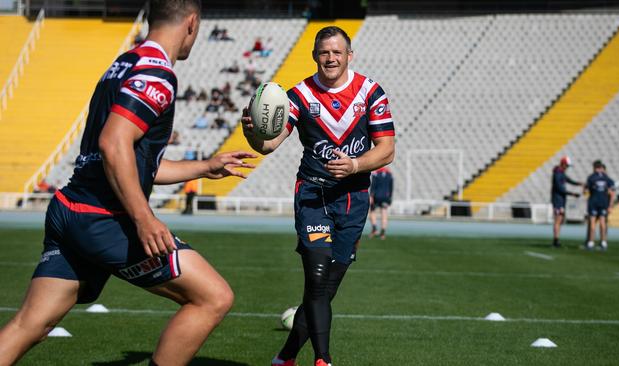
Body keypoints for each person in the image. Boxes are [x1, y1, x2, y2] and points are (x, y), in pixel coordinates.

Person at [0, 1, 257, 365]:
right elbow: (112, 143)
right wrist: (143, 218)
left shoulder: (122, 64)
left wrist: (203, 167)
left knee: (31, 323)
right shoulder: (157, 74)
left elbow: (131, 160)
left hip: (70, 209)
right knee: (213, 297)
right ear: (192, 23)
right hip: (104, 217)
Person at [241, 26, 395, 366]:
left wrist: (355, 164)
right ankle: (323, 359)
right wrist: (252, 134)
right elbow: (268, 145)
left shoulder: (371, 92)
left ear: (349, 55)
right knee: (317, 275)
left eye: (337, 52)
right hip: (313, 195)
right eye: (324, 52)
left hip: (353, 200)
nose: (331, 58)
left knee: (324, 290)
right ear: (314, 56)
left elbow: (386, 150)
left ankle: (285, 358)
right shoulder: (298, 96)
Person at [550, 156, 582, 248]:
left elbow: (569, 180)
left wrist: (579, 183)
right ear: (563, 164)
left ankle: (557, 239)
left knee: (560, 220)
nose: (567, 167)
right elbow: (560, 189)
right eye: (567, 165)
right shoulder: (557, 174)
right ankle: (555, 240)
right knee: (557, 220)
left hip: (561, 199)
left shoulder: (561, 173)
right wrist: (572, 194)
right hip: (557, 200)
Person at [584, 160, 615, 251]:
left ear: (594, 168)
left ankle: (591, 242)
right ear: (601, 168)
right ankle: (603, 242)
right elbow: (612, 192)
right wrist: (610, 205)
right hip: (603, 202)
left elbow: (585, 190)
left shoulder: (591, 177)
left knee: (593, 223)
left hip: (593, 202)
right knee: (602, 223)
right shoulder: (607, 178)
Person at [369, 166, 393, 240]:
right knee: (384, 213)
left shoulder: (376, 174)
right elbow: (391, 187)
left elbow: (373, 186)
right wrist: (390, 197)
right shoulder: (389, 174)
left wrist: (371, 196)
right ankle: (382, 233)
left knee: (372, 212)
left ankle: (374, 229)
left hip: (376, 196)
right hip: (386, 197)